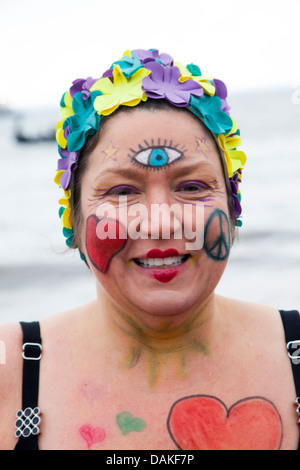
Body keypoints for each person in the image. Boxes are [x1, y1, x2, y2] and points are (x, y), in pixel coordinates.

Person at [1, 48, 299, 451]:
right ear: (72, 217)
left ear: (233, 205)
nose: (160, 222)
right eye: (122, 191)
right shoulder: (10, 369)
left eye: (192, 187)